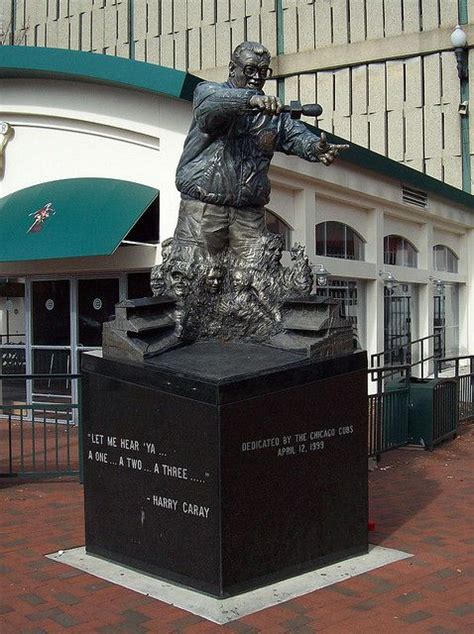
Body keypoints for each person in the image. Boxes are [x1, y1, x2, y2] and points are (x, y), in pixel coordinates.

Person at [172, 41, 347, 260]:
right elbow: (211, 107)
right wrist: (250, 100)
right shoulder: (209, 92)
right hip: (204, 208)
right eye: (250, 69)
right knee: (196, 274)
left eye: (263, 72)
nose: (257, 77)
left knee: (259, 277)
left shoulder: (273, 113)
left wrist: (315, 147)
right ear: (232, 68)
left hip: (249, 213)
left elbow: (295, 135)